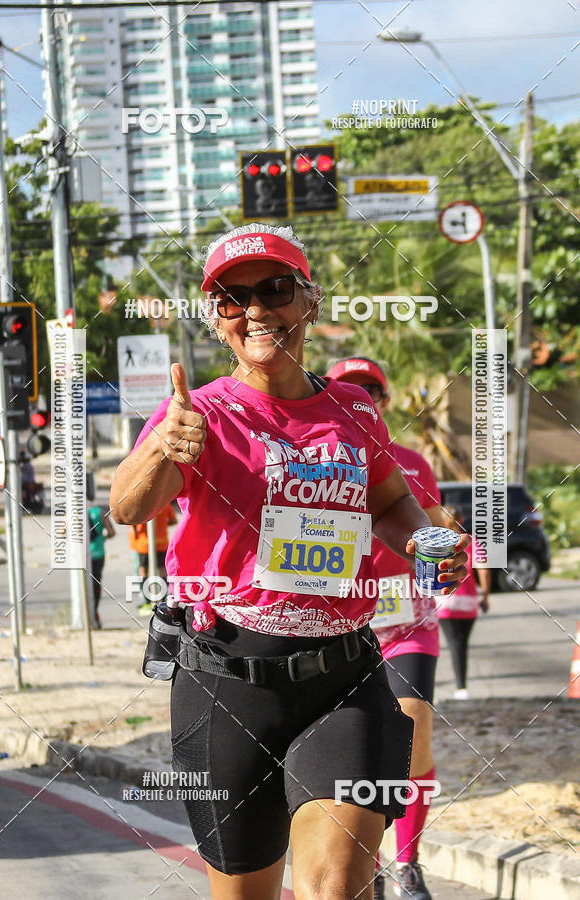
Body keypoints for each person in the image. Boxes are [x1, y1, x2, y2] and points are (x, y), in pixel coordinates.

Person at [110, 223, 470, 900]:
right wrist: (161, 446)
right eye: (232, 299)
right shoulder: (200, 415)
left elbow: (391, 503)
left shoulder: (354, 410)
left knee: (337, 885)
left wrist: (423, 541)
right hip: (227, 684)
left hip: (344, 678)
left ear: (310, 299)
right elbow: (128, 507)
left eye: (274, 289)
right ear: (215, 318)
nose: (255, 311)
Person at [327, 357, 446, 900]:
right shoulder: (317, 464)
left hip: (408, 623)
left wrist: (446, 551)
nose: (362, 400)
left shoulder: (414, 465)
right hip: (343, 625)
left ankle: (408, 864)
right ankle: (370, 864)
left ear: (385, 401)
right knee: (362, 753)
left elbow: (432, 532)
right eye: (349, 390)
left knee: (413, 736)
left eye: (371, 391)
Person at [438, 505, 490, 699]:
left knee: (454, 643)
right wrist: (485, 595)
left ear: (443, 521)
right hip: (469, 601)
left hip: (445, 601)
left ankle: (460, 687)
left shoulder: (438, 542)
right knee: (462, 643)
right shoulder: (471, 541)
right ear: (461, 519)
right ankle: (462, 686)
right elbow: (484, 569)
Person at [128, 502, 178, 613]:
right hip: (161, 542)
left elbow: (133, 523)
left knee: (143, 571)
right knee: (162, 570)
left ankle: (147, 601)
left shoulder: (141, 505)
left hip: (144, 544)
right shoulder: (165, 503)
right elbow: (173, 520)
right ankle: (164, 599)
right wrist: (161, 525)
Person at [87, 482, 116, 629]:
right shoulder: (100, 512)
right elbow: (111, 532)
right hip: (98, 553)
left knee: (84, 585)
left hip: (82, 556)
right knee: (96, 583)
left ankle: (86, 614)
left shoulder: (73, 512)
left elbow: (62, 532)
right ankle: (95, 612)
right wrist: (103, 538)